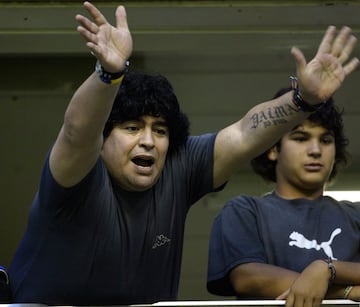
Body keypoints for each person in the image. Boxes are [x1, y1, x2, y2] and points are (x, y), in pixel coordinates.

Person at [8, 0, 359, 305]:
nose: (148, 141)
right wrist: (109, 74)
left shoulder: (177, 166)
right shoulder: (78, 174)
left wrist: (303, 101)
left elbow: (242, 134)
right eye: (132, 128)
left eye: (159, 131)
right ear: (104, 139)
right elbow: (76, 132)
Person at [206, 87, 360, 307]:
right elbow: (247, 278)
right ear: (273, 149)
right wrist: (346, 291)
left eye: (326, 140)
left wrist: (326, 269)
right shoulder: (246, 210)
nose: (315, 150)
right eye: (301, 138)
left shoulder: (356, 215)